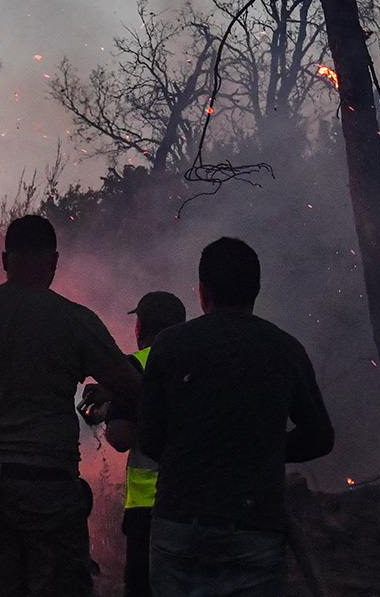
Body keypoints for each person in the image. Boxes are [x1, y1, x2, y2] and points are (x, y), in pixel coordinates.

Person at [0, 214, 141, 597]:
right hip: (48, 485)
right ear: (53, 262)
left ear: (5, 260)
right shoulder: (75, 320)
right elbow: (132, 387)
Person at [137, 237, 334, 597]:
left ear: (202, 292)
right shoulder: (284, 348)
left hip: (180, 523)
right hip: (253, 527)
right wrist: (263, 446)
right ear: (256, 290)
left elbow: (149, 438)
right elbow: (320, 435)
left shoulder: (169, 345)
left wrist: (197, 446)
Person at [103, 291, 187, 597]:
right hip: (200, 506)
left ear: (139, 327)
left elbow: (120, 436)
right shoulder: (202, 363)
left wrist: (112, 414)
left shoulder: (136, 366)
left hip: (149, 510)